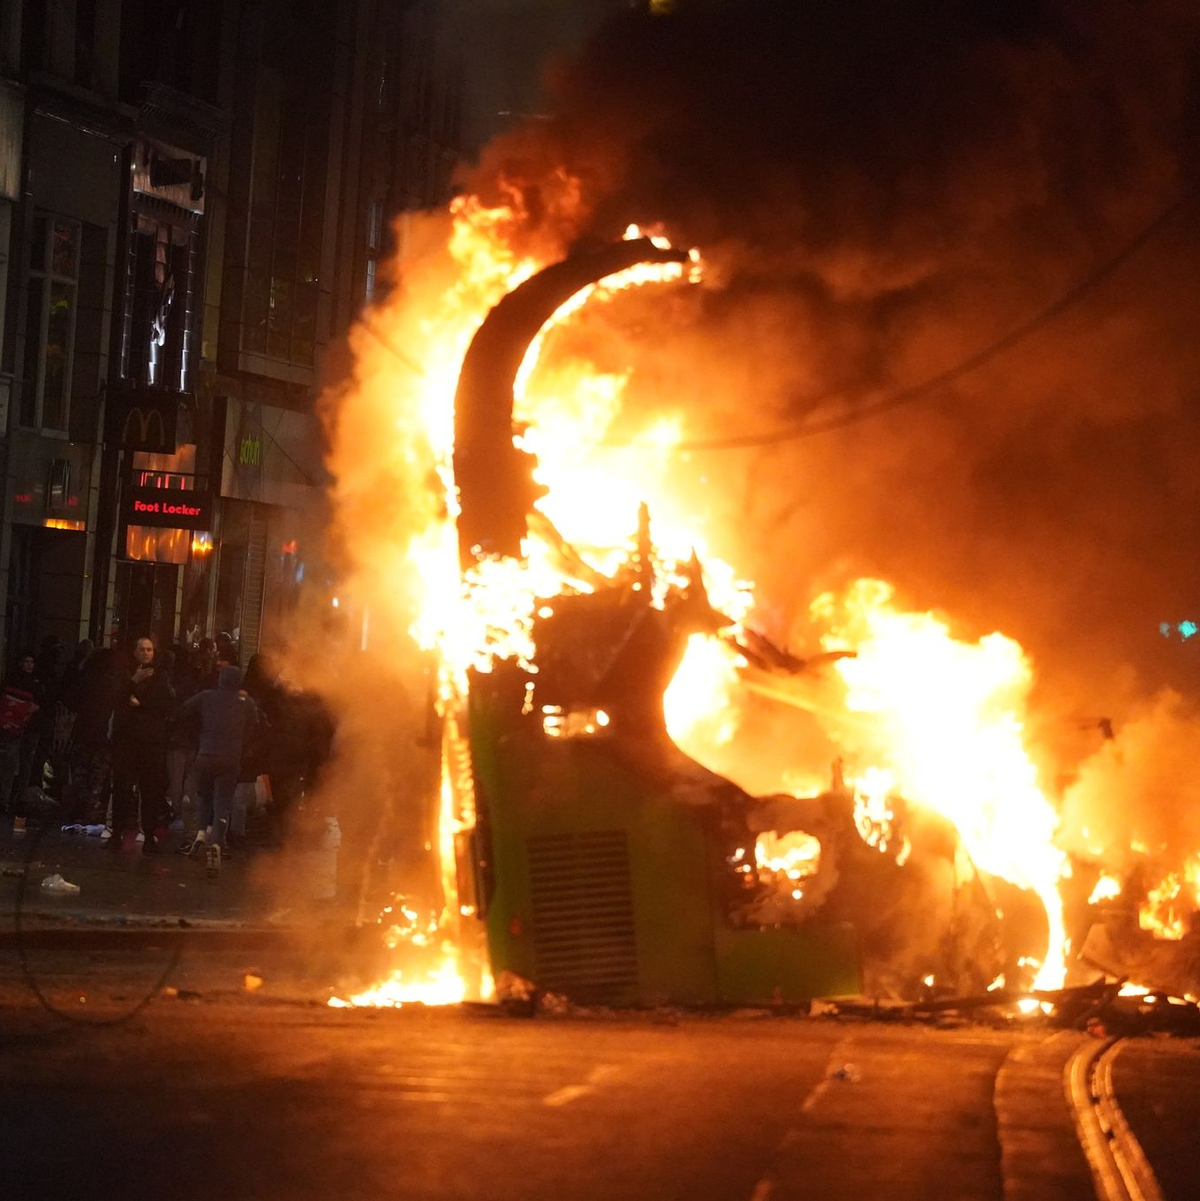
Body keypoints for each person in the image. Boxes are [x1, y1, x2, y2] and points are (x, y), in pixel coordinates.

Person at [179, 665, 258, 876]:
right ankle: (216, 844)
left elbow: (184, 709)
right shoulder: (245, 702)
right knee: (223, 802)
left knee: (204, 797)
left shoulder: (206, 696)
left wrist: (198, 736)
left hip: (205, 756)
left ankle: (200, 835)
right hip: (230, 758)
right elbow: (257, 724)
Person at [108, 636, 175, 852]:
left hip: (150, 742)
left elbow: (165, 705)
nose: (146, 653)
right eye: (142, 649)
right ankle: (116, 834)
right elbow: (116, 698)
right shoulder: (125, 674)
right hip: (126, 740)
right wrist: (133, 682)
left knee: (150, 791)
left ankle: (148, 836)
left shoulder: (161, 677)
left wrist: (140, 703)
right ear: (135, 652)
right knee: (121, 788)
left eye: (150, 650)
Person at [62, 647, 120, 823]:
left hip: (82, 732)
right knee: (97, 776)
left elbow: (71, 701)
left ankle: (74, 809)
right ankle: (89, 809)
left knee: (79, 774)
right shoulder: (112, 683)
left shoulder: (85, 679)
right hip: (102, 735)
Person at [0, 652, 45, 817]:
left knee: (21, 763)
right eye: (26, 661)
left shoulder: (33, 682)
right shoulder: (24, 681)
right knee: (11, 763)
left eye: (31, 662)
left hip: (26, 728)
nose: (29, 665)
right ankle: (7, 799)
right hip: (16, 727)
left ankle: (16, 799)